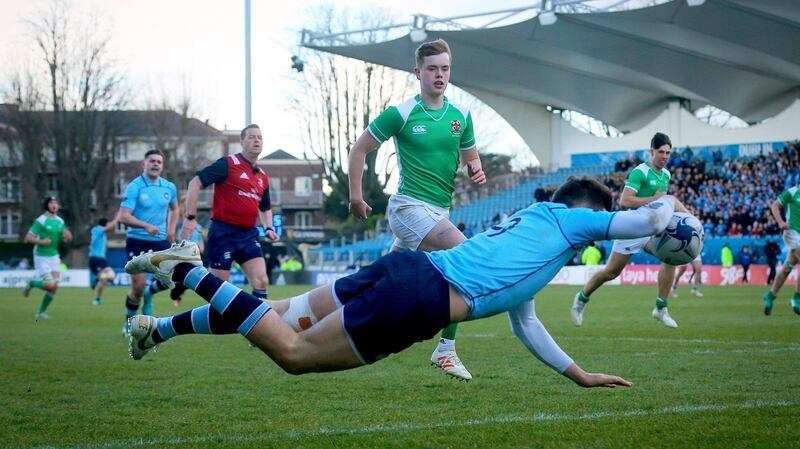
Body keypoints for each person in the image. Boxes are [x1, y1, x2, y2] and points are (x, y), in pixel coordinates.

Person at [125, 177, 689, 389]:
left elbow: (528, 324)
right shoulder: (572, 219)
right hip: (419, 297)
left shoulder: (535, 228)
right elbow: (643, 220)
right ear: (585, 211)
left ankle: (159, 329)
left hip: (408, 270)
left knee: (280, 312)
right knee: (293, 353)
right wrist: (672, 207)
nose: (597, 231)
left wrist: (579, 375)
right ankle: (187, 269)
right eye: (597, 219)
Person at [347, 39, 486, 380]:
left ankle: (322, 315)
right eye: (432, 69)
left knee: (381, 280)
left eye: (445, 69)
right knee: (464, 258)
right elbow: (359, 149)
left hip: (439, 212)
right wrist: (355, 197)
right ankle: (446, 349)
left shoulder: (461, 115)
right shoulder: (402, 113)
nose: (440, 75)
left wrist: (476, 169)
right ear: (418, 72)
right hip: (408, 208)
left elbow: (471, 158)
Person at [571, 132, 681, 328]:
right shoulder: (640, 172)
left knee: (670, 256)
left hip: (651, 230)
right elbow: (625, 201)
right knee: (611, 272)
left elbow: (662, 204)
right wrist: (654, 199)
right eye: (661, 152)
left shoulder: (666, 174)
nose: (665, 156)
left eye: (668, 153)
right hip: (632, 228)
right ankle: (581, 299)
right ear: (652, 151)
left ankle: (661, 307)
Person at [180, 124, 279, 303]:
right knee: (220, 290)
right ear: (242, 142)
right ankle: (186, 284)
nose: (257, 140)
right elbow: (195, 182)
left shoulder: (262, 176)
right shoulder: (228, 164)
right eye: (251, 137)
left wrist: (269, 228)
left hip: (248, 235)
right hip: (223, 233)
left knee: (262, 281)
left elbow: (265, 207)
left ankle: (259, 320)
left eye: (260, 137)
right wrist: (190, 217)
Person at [118, 149, 179, 335]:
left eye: (159, 162)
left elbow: (175, 209)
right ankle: (129, 324)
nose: (155, 164)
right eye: (152, 161)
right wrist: (145, 226)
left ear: (162, 166)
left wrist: (171, 230)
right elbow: (123, 216)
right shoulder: (135, 186)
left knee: (175, 278)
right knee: (137, 288)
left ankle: (149, 293)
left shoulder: (169, 187)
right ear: (144, 164)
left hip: (160, 241)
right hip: (137, 241)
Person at [22, 196, 73, 319]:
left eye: (56, 203)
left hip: (54, 256)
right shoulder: (41, 220)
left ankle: (41, 313)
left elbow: (67, 237)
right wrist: (41, 242)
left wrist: (67, 238)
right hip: (41, 256)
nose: (54, 205)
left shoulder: (60, 221)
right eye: (51, 203)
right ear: (47, 205)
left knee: (54, 287)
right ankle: (32, 283)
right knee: (50, 285)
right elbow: (28, 237)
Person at [762, 185, 800, 316]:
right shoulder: (793, 192)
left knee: (787, 268)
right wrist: (780, 222)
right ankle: (797, 298)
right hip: (792, 232)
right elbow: (775, 205)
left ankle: (770, 295)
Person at [89, 212, 121, 305]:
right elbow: (110, 226)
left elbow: (109, 226)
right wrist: (117, 218)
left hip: (102, 260)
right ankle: (97, 299)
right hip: (95, 259)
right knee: (103, 278)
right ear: (105, 224)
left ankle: (96, 280)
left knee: (112, 277)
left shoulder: (100, 232)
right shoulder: (97, 230)